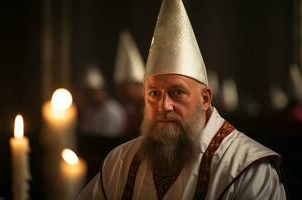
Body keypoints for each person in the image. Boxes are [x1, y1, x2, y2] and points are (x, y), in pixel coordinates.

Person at [78, 0, 287, 199]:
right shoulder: (120, 163)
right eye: (154, 94)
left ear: (205, 99)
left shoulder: (247, 169)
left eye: (177, 92)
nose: (163, 105)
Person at [78, 66, 127, 137]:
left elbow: (109, 137)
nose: (90, 96)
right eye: (88, 93)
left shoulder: (113, 110)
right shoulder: (89, 110)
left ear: (101, 91)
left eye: (93, 92)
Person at [113, 30, 145, 137]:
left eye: (125, 86)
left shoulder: (148, 109)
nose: (122, 92)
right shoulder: (127, 107)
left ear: (138, 85)